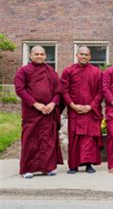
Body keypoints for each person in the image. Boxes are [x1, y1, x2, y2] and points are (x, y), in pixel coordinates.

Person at [14, 46, 63, 178]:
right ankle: (28, 169)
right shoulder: (24, 71)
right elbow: (20, 90)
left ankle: (48, 168)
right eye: (36, 54)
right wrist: (36, 104)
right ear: (31, 56)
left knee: (48, 139)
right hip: (32, 112)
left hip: (48, 111)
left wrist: (52, 103)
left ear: (46, 56)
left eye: (42, 54)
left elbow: (59, 90)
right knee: (30, 139)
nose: (39, 56)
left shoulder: (51, 71)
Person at [60, 46, 103, 174]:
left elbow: (100, 92)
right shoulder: (68, 71)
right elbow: (64, 90)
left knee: (89, 138)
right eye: (81, 54)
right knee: (74, 138)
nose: (84, 57)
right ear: (77, 55)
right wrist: (72, 105)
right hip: (75, 111)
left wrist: (91, 106)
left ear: (90, 57)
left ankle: (89, 164)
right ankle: (73, 165)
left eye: (86, 55)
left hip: (90, 111)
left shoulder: (96, 72)